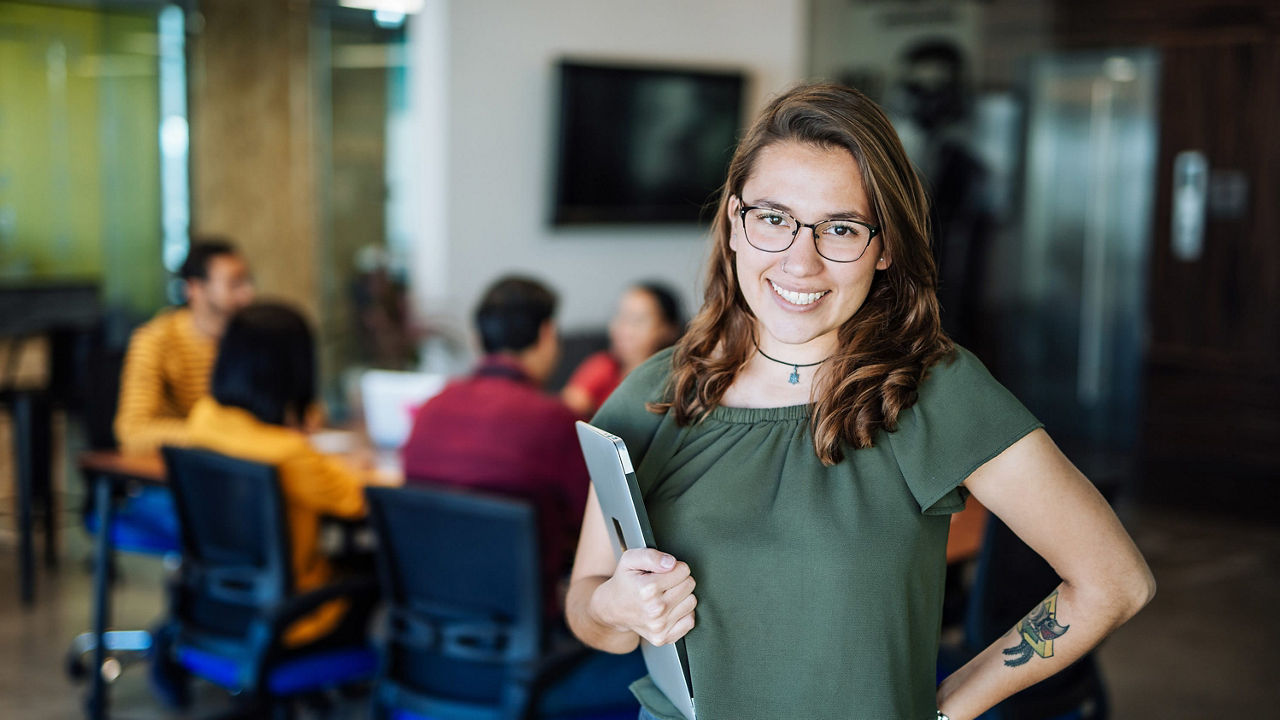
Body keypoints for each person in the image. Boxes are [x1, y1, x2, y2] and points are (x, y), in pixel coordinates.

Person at [565, 83, 1155, 720]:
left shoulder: (934, 391)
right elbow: (588, 607)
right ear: (735, 223)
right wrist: (612, 607)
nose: (801, 261)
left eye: (841, 228)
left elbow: (1113, 582)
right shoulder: (656, 393)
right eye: (773, 220)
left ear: (885, 249)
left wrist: (945, 709)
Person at [183, 302, 368, 648]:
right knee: (378, 572)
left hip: (220, 605)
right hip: (294, 619)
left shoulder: (203, 419)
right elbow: (360, 503)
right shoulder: (287, 454)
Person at [401, 276, 589, 615]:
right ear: (547, 334)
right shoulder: (554, 421)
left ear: (477, 339)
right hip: (526, 629)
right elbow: (594, 523)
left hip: (428, 625)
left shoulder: (429, 410)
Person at [114, 239, 255, 453]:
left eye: (246, 282)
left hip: (244, 465)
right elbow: (133, 432)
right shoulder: (156, 341)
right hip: (177, 472)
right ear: (194, 289)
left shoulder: (250, 337)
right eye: (234, 284)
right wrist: (216, 437)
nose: (247, 295)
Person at [562, 282, 683, 418]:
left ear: (667, 329)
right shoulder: (602, 366)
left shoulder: (679, 380)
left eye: (637, 320)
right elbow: (564, 414)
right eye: (620, 316)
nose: (621, 328)